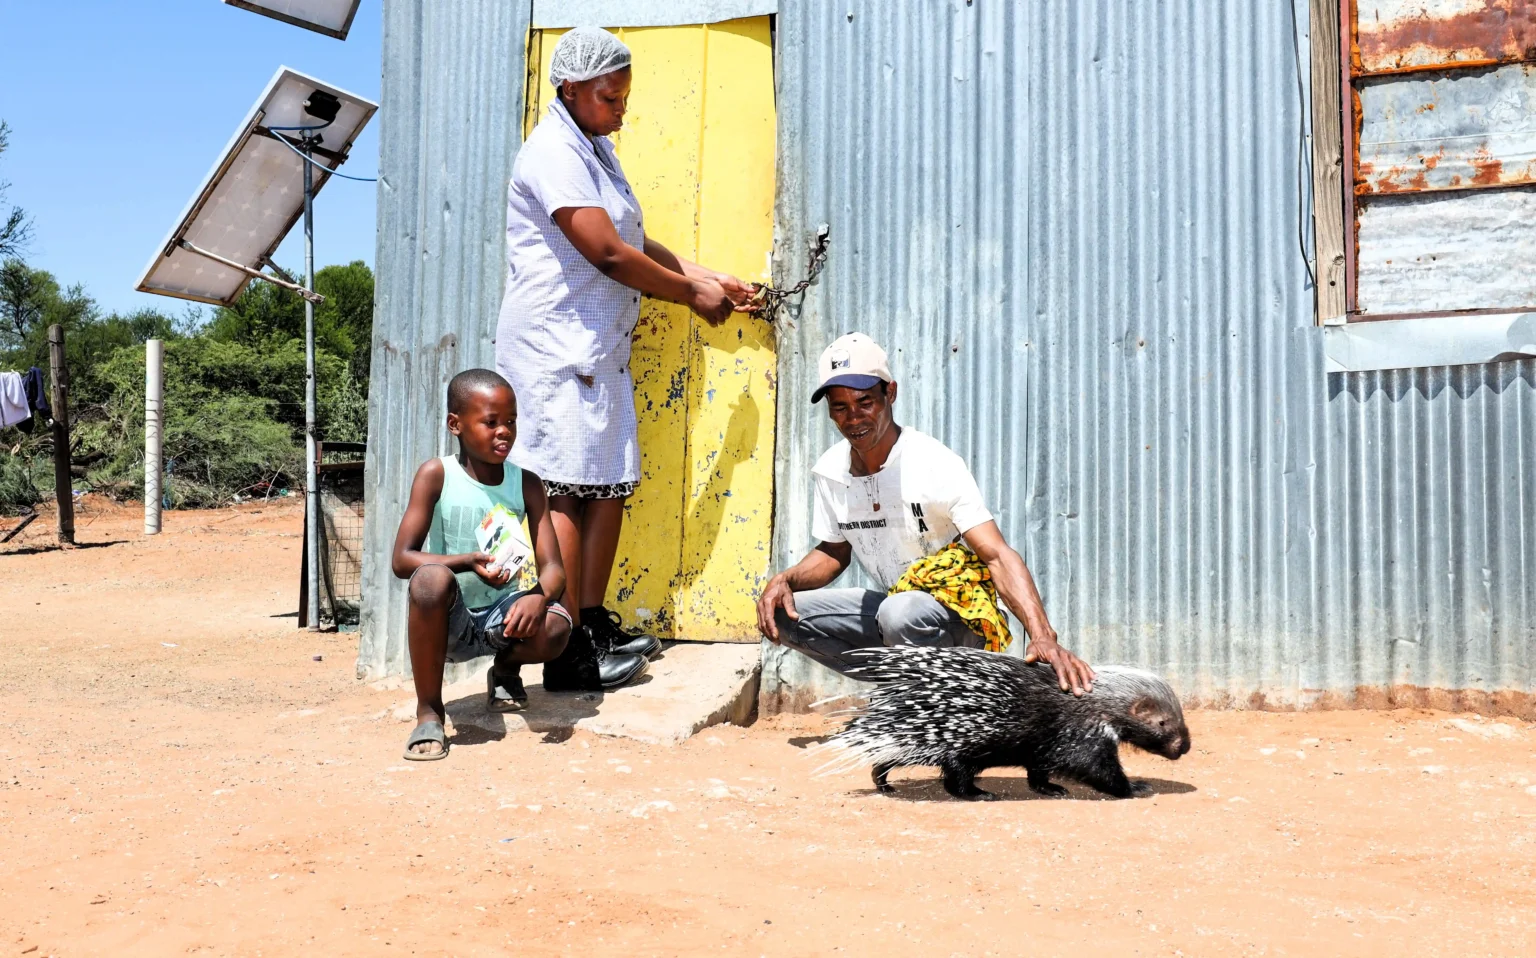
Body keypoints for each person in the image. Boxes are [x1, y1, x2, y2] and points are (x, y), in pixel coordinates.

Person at [495, 26, 757, 670]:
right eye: (611, 98)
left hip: (597, 348)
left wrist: (705, 275)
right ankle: (563, 645)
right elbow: (607, 254)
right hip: (556, 349)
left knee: (606, 487)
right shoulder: (552, 151)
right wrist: (688, 297)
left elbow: (634, 239)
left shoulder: (594, 146)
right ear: (572, 89)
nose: (621, 110)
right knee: (563, 490)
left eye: (624, 98)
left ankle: (589, 620)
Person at [755, 334, 1097, 695]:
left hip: (955, 616)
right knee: (783, 613)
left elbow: (996, 554)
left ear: (891, 393)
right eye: (839, 407)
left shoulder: (933, 462)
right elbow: (834, 552)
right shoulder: (830, 471)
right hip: (895, 610)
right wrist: (787, 579)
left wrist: (1042, 635)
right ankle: (907, 687)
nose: (853, 418)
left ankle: (942, 689)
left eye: (865, 402)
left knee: (898, 613)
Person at [390, 369, 647, 762]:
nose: (504, 432)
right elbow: (402, 559)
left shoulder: (526, 483)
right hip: (453, 620)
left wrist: (539, 597)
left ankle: (506, 669)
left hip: (505, 617)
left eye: (510, 422)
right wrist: (465, 562)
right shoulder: (436, 475)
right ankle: (429, 712)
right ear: (455, 424)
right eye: (490, 422)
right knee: (429, 581)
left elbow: (554, 568)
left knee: (558, 622)